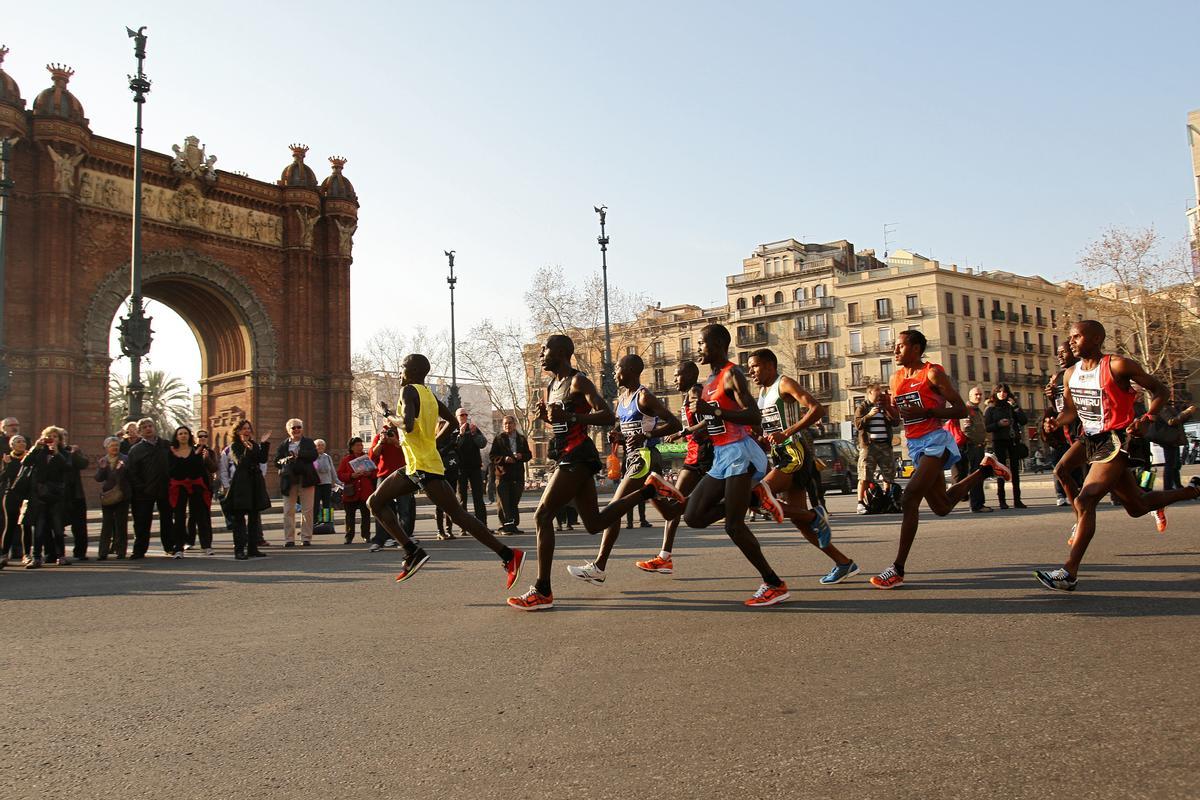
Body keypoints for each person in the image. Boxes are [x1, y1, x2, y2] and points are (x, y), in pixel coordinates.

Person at [507, 335, 678, 611]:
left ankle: (542, 590)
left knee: (542, 515)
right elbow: (559, 424)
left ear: (562, 352)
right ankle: (649, 491)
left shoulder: (578, 381)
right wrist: (545, 417)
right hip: (565, 455)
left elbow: (606, 414)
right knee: (594, 523)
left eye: (545, 349)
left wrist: (572, 417)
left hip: (578, 456)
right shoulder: (551, 386)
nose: (540, 354)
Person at [1035, 320, 1200, 592]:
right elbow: (1071, 411)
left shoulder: (1117, 365)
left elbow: (1161, 390)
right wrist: (1055, 421)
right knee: (1135, 506)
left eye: (1077, 336)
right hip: (1091, 438)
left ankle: (1069, 572)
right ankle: (1193, 490)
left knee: (1086, 499)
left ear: (1097, 338)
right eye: (1070, 337)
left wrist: (1148, 417)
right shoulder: (1070, 374)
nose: (1071, 341)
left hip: (1119, 439)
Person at [368, 353, 525, 589]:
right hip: (416, 466)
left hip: (423, 468)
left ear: (412, 371)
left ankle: (508, 555)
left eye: (402, 367)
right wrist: (433, 443)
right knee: (375, 502)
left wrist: (387, 413)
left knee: (459, 516)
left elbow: (408, 424)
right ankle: (412, 551)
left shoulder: (408, 390)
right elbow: (452, 422)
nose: (400, 372)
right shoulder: (429, 395)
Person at [870, 330, 1009, 589]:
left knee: (910, 496)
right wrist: (889, 411)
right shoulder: (896, 378)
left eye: (900, 346)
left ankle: (897, 568)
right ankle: (985, 469)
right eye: (894, 346)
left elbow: (959, 408)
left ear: (916, 349)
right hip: (914, 442)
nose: (894, 351)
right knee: (941, 507)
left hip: (936, 440)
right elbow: (900, 419)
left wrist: (928, 410)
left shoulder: (932, 373)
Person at [675, 324, 792, 607]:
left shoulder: (732, 374)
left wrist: (713, 411)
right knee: (693, 516)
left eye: (702, 343)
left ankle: (774, 584)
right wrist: (696, 430)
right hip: (721, 455)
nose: (698, 349)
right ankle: (755, 497)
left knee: (734, 526)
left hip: (741, 452)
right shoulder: (711, 379)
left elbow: (753, 416)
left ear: (716, 344)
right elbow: (717, 419)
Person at [566, 353, 683, 586]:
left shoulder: (644, 396)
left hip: (646, 457)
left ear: (630, 370)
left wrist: (647, 434)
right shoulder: (621, 399)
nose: (614, 373)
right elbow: (627, 430)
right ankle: (715, 504)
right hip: (632, 458)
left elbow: (674, 423)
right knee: (671, 512)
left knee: (614, 508)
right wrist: (619, 435)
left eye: (618, 368)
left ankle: (598, 567)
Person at [748, 348, 860, 585]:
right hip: (780, 454)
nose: (751, 372)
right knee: (799, 522)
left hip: (794, 452)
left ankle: (814, 515)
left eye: (755, 366)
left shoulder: (784, 383)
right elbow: (771, 426)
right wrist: (762, 437)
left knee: (759, 496)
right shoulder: (763, 392)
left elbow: (816, 408)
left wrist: (786, 432)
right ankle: (843, 562)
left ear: (769, 366)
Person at [635, 360, 713, 575]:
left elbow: (709, 420)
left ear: (689, 375)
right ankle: (664, 557)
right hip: (695, 453)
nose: (674, 379)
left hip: (703, 454)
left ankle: (664, 557)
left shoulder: (696, 391)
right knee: (676, 503)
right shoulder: (689, 394)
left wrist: (683, 433)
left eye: (678, 375)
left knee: (676, 502)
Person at [219, 419, 271, 560]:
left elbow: (262, 459)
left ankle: (253, 548)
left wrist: (264, 444)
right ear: (237, 431)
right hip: (241, 485)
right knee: (239, 520)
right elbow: (240, 462)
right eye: (244, 429)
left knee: (254, 518)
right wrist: (248, 450)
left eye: (248, 428)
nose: (247, 431)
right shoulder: (234, 446)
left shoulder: (253, 444)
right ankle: (239, 550)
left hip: (254, 483)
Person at [1045, 343, 1085, 510]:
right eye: (1058, 353)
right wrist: (1052, 399)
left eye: (1063, 352)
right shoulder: (1059, 377)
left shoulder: (1085, 371)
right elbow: (1062, 409)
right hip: (1070, 431)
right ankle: (1079, 506)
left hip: (1090, 428)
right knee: (1063, 469)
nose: (1059, 356)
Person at [25, 427, 71, 567]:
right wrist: (35, 447)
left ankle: (61, 556)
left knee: (57, 527)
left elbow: (68, 467)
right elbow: (25, 463)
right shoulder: (39, 452)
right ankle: (36, 557)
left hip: (56, 494)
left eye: (55, 436)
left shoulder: (64, 452)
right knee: (39, 527)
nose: (52, 439)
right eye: (49, 436)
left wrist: (56, 453)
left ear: (60, 439)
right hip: (40, 495)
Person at [127, 418, 172, 558]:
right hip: (143, 492)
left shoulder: (166, 445)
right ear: (140, 431)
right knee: (141, 522)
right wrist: (141, 487)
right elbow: (132, 472)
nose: (148, 428)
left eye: (150, 426)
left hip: (165, 489)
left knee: (167, 520)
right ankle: (139, 550)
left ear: (155, 427)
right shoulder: (135, 450)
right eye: (145, 427)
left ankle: (170, 547)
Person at [167, 425, 212, 558]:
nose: (183, 435)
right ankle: (179, 548)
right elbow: (171, 471)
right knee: (179, 517)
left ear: (189, 436)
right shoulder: (171, 451)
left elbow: (200, 470)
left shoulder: (196, 450)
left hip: (196, 485)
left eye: (185, 433)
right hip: (179, 486)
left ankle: (206, 546)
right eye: (180, 433)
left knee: (201, 515)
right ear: (176, 436)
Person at [854, 383, 898, 514]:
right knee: (864, 475)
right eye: (876, 391)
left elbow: (895, 422)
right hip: (869, 446)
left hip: (885, 445)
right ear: (869, 393)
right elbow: (857, 424)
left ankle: (887, 500)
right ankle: (860, 503)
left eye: (880, 392)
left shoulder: (883, 407)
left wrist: (888, 409)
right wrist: (869, 415)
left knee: (888, 475)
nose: (879, 394)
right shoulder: (862, 407)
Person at [274, 418, 318, 547]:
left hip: (306, 479)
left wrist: (299, 455)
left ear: (302, 429)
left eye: (298, 427)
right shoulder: (283, 445)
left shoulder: (309, 442)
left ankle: (306, 538)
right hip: (289, 480)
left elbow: (314, 455)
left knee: (307, 510)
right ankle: (289, 539)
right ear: (288, 430)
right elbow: (277, 461)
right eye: (293, 428)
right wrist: (286, 459)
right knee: (288, 510)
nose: (296, 430)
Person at [984, 383, 1028, 509]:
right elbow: (987, 427)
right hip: (998, 441)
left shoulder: (1011, 407)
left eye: (1004, 392)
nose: (1002, 394)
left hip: (1012, 440)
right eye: (999, 391)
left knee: (1015, 471)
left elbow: (1023, 421)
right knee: (1001, 470)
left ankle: (1017, 500)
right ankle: (1002, 501)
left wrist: (1016, 406)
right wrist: (999, 424)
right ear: (995, 393)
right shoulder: (991, 408)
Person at [369, 421, 410, 551]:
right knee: (379, 506)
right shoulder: (380, 436)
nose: (390, 425)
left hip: (403, 474)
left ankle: (404, 539)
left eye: (392, 421)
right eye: (387, 421)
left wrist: (396, 442)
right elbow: (373, 455)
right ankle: (380, 539)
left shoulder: (403, 434)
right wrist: (381, 442)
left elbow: (410, 452)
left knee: (404, 509)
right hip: (384, 475)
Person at [490, 415, 532, 534]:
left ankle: (513, 525)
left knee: (514, 501)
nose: (507, 425)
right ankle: (503, 526)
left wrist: (521, 456)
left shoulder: (522, 439)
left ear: (515, 425)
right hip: (503, 475)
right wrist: (504, 459)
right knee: (503, 502)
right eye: (505, 424)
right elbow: (492, 456)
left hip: (517, 475)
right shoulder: (499, 439)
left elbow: (528, 455)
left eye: (510, 423)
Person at [955, 386, 993, 513]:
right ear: (970, 396)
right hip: (972, 448)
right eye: (976, 394)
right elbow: (966, 430)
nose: (979, 396)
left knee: (977, 476)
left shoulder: (977, 411)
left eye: (980, 394)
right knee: (976, 476)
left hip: (979, 447)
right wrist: (977, 442)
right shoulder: (968, 410)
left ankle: (977, 503)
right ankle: (977, 505)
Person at [94, 436, 131, 559]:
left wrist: (122, 469)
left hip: (122, 495)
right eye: (112, 446)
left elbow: (130, 475)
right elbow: (98, 478)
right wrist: (103, 468)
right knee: (107, 525)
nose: (115, 448)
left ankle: (121, 551)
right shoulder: (103, 460)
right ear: (107, 448)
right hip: (108, 496)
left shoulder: (125, 459)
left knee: (121, 524)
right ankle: (103, 552)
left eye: (117, 445)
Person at [1150, 394, 1195, 491]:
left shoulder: (1168, 406)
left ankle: (1177, 485)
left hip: (1174, 438)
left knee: (1175, 464)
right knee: (1170, 464)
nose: (1170, 397)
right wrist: (1186, 412)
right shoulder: (1162, 408)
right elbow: (1171, 421)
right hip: (1168, 439)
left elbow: (1179, 421)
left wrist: (1188, 413)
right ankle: (1167, 487)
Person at [453, 407, 489, 524]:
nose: (464, 417)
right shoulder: (453, 430)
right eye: (461, 415)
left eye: (465, 415)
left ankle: (482, 523)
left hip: (475, 467)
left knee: (478, 497)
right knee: (462, 498)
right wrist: (461, 434)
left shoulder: (473, 428)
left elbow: (483, 443)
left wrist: (474, 434)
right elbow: (455, 447)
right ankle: (465, 525)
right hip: (461, 468)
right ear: (456, 417)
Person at [185, 430, 219, 549]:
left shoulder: (210, 452)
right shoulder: (190, 450)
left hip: (206, 488)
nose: (203, 438)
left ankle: (207, 542)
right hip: (193, 487)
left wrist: (207, 458)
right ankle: (189, 541)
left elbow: (214, 468)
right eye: (200, 436)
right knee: (192, 515)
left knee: (205, 514)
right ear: (195, 438)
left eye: (205, 436)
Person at [337, 437, 375, 544]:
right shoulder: (346, 460)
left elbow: (375, 472)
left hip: (365, 492)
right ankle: (349, 536)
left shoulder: (367, 458)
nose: (360, 447)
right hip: (351, 492)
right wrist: (351, 475)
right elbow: (340, 475)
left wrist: (370, 474)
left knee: (366, 515)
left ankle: (366, 535)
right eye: (357, 445)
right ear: (352, 447)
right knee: (349, 516)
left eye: (361, 445)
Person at [60, 430, 90, 561]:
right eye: (60, 436)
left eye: (65, 436)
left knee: (79, 525)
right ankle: (57, 553)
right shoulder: (48, 452)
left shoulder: (72, 451)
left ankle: (80, 552)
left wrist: (75, 453)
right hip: (58, 494)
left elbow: (83, 464)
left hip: (75, 493)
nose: (63, 439)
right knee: (57, 525)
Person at [1, 434, 30, 568]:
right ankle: (4, 554)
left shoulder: (30, 457)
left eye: (23, 441)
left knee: (26, 525)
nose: (21, 443)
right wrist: (6, 466)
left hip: (26, 495)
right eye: (18, 441)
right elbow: (3, 478)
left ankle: (27, 554)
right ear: (12, 445)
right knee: (10, 524)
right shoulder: (7, 458)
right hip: (11, 495)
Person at [313, 438, 343, 529]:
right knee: (316, 504)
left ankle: (326, 522)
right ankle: (315, 522)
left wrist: (338, 481)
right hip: (317, 484)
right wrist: (318, 458)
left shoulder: (327, 457)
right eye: (318, 445)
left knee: (327, 504)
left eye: (322, 445)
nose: (320, 447)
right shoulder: (313, 457)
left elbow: (332, 470)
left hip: (326, 483)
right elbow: (317, 469)